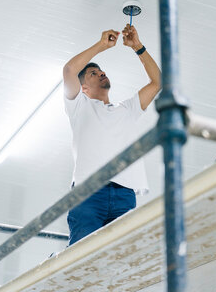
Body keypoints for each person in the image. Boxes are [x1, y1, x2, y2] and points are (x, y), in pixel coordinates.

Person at [63, 24, 161, 246]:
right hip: (88, 192)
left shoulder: (127, 109)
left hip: (125, 194)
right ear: (83, 88)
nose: (101, 74)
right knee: (82, 256)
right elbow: (69, 70)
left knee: (121, 259)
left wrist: (138, 47)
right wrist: (101, 46)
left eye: (101, 71)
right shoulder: (79, 106)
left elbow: (157, 82)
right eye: (93, 74)